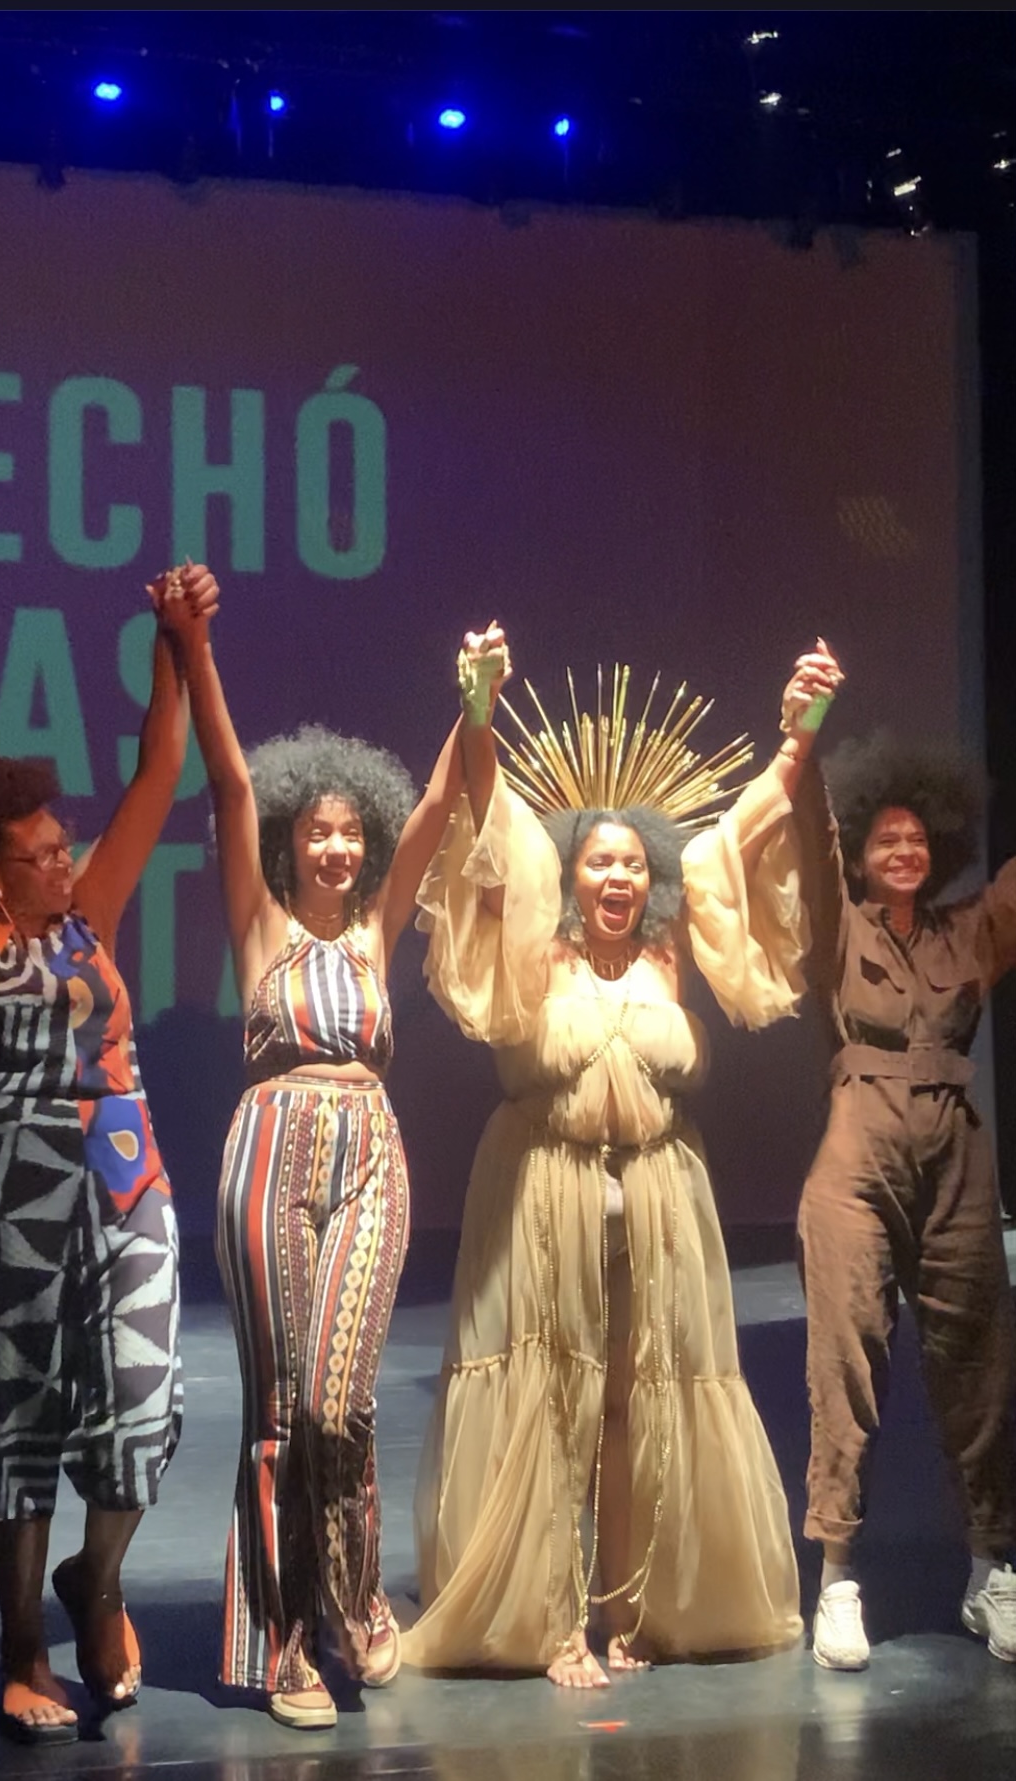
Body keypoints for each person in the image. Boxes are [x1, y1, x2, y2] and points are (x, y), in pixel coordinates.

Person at [402, 630, 842, 1687]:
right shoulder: (535, 944)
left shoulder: (669, 950)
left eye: (632, 862)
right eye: (598, 859)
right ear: (568, 871)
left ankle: (631, 1608)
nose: (616, 874)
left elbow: (743, 831)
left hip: (658, 1195)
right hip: (539, 1191)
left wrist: (800, 736)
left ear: (651, 876)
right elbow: (488, 814)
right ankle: (551, 1622)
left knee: (638, 1399)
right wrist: (479, 709)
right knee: (549, 1394)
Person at [0, 567, 217, 1742]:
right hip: (8, 1199)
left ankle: (101, 1578)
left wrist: (176, 640)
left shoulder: (94, 916)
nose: (64, 858)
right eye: (40, 851)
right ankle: (25, 1643)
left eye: (62, 842)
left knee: (143, 1408)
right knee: (15, 1421)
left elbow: (159, 770)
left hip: (128, 1188)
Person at [165, 568, 467, 1730]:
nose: (338, 847)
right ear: (288, 844)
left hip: (370, 1149)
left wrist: (476, 702)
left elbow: (437, 804)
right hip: (272, 1146)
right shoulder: (263, 925)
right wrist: (194, 647)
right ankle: (290, 1641)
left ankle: (355, 1591)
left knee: (343, 1399)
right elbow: (230, 780)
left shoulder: (378, 931)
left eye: (351, 832)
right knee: (284, 1408)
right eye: (318, 831)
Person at [792, 728, 1016, 1670]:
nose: (902, 849)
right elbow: (809, 841)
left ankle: (990, 1570)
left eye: (916, 837)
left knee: (979, 1359)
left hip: (955, 1149)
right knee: (845, 1355)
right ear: (858, 851)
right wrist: (802, 740)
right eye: (883, 837)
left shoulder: (966, 930)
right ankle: (837, 1578)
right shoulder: (837, 922)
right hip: (859, 1147)